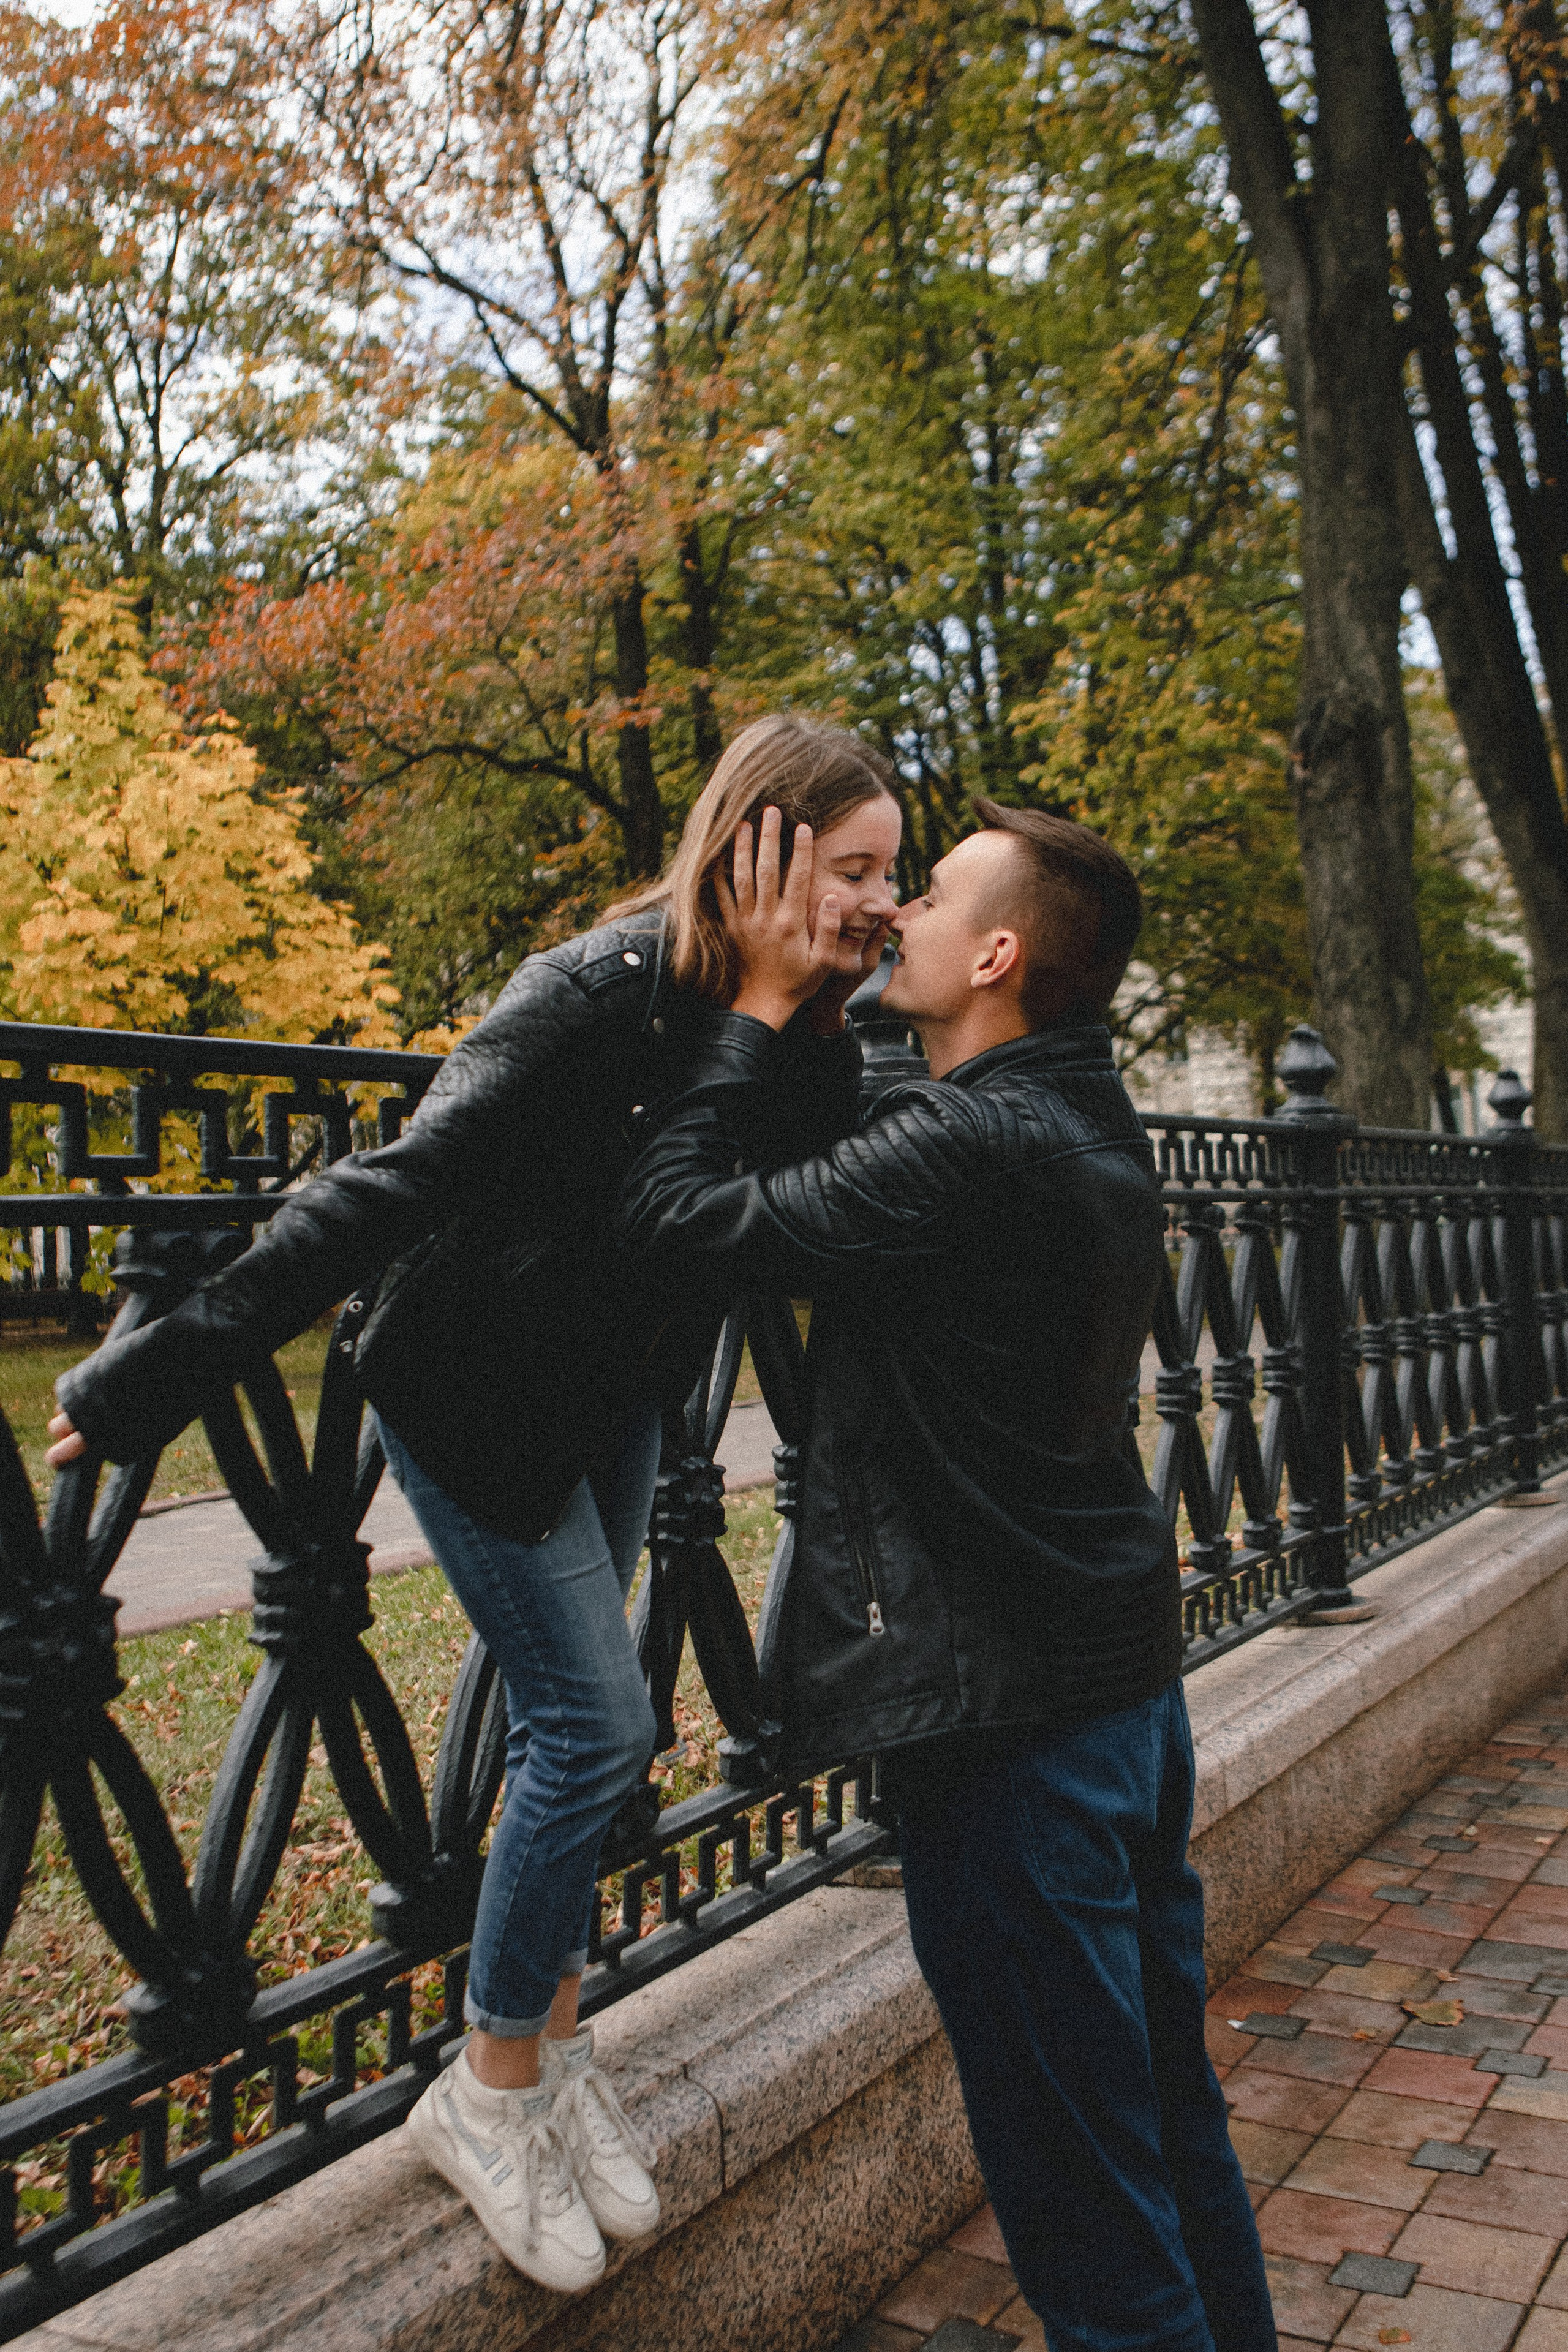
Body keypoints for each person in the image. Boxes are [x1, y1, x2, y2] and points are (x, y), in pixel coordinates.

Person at [43, 716, 903, 2296]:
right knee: (595, 1728)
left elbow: (750, 1221)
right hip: (466, 1394)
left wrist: (796, 1015)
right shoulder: (592, 991)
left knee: (578, 1727)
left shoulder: (817, 1038)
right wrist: (144, 1381)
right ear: (755, 849)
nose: (879, 904)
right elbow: (387, 1189)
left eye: (891, 876)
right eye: (850, 869)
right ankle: (489, 2085)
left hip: (617, 1393)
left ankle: (553, 2056)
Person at [612, 801, 1278, 2352]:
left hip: (1013, 1728)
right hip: (1116, 1694)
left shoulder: (972, 1139)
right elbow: (863, 1155)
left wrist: (763, 1005)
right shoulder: (1074, 1111)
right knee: (1161, 2115)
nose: (893, 908)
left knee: (1077, 2184)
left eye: (928, 895)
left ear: (993, 954)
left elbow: (682, 1221)